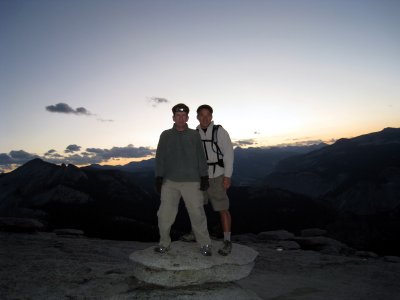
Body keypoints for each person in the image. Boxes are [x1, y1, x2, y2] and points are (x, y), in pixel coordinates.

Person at [154, 103, 212, 256]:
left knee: (197, 213)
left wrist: (204, 176)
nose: (180, 118)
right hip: (170, 181)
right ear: (173, 117)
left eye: (183, 116)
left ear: (187, 117)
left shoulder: (194, 135)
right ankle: (164, 243)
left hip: (192, 181)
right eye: (177, 115)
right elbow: (160, 157)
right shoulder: (165, 135)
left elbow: (201, 156)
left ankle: (204, 244)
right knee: (164, 214)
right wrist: (158, 177)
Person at [197, 104, 234, 256]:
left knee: (223, 208)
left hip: (218, 174)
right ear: (197, 117)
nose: (205, 118)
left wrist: (227, 176)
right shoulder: (194, 134)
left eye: (208, 115)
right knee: (197, 207)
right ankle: (197, 234)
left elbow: (229, 154)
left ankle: (227, 240)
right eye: (202, 115)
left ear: (211, 116)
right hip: (201, 176)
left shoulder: (220, 131)